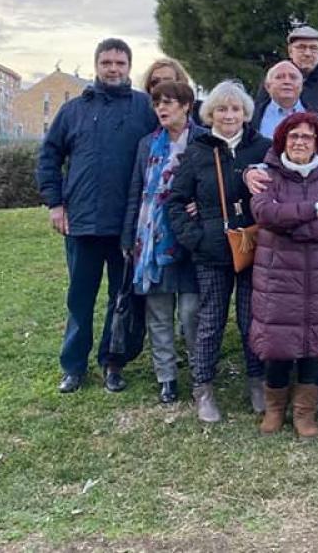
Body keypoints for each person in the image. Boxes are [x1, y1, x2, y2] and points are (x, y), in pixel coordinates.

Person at [37, 38, 158, 394]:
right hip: (82, 223)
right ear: (96, 65)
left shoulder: (144, 108)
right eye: (107, 62)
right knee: (80, 298)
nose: (113, 68)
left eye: (120, 63)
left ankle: (113, 362)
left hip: (128, 224)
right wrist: (55, 204)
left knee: (121, 300)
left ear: (129, 67)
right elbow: (48, 157)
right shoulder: (73, 110)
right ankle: (73, 366)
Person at [167, 80, 271, 423]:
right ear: (211, 113)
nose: (229, 115)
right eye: (223, 109)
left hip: (252, 248)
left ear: (245, 113)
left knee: (250, 319)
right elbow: (176, 202)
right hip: (211, 251)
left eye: (236, 109)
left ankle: (257, 381)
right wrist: (195, 238)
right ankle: (204, 388)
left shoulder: (262, 149)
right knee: (210, 321)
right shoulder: (198, 151)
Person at [249, 113, 318, 438]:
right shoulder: (269, 176)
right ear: (282, 140)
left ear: (317, 143)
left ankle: (305, 413)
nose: (299, 142)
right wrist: (310, 211)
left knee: (315, 345)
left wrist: (293, 229)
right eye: (293, 136)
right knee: (278, 344)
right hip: (279, 278)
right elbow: (265, 213)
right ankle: (275, 409)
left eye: (306, 137)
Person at [121, 80, 204, 404]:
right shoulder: (147, 144)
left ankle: (201, 373)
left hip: (192, 239)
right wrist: (128, 236)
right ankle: (166, 377)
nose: (162, 109)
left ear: (186, 106)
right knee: (158, 313)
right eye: (158, 104)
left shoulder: (203, 140)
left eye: (169, 102)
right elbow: (135, 191)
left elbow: (216, 185)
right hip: (151, 242)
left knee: (190, 311)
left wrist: (202, 203)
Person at [253, 24, 318, 117]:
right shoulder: (274, 79)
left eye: (313, 48)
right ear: (290, 51)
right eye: (301, 48)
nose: (307, 53)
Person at [250, 60, 306, 139]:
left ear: (301, 86)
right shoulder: (251, 115)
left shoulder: (317, 115)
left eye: (293, 77)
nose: (287, 81)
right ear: (267, 86)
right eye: (279, 77)